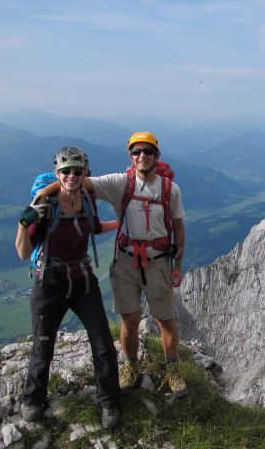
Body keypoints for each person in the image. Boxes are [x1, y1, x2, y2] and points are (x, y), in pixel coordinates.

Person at [38, 132, 187, 398]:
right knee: (129, 321)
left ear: (157, 156)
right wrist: (40, 197)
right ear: (130, 156)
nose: (142, 156)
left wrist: (177, 266)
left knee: (166, 320)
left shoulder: (170, 189)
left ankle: (172, 370)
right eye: (136, 152)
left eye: (147, 152)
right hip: (126, 262)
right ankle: (131, 367)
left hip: (159, 261)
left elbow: (178, 227)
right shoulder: (121, 182)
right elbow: (74, 180)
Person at [15, 146, 121, 429]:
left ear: (85, 173)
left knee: (103, 344)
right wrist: (24, 222)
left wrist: (120, 225)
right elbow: (23, 252)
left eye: (77, 171)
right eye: (66, 171)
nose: (72, 176)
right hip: (49, 283)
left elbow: (94, 227)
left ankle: (110, 403)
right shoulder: (45, 206)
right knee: (43, 346)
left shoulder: (87, 198)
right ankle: (33, 401)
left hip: (83, 279)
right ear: (57, 173)